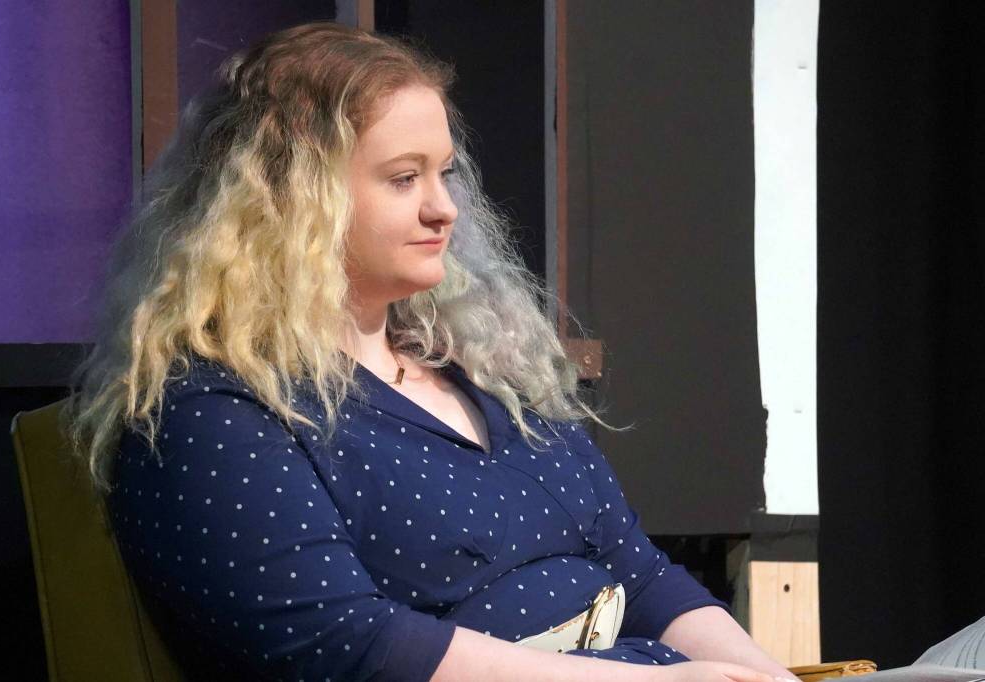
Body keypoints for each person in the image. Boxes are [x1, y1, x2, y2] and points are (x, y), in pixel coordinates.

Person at [67, 21, 799, 682]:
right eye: (403, 177)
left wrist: (766, 680)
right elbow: (349, 645)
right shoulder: (217, 414)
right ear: (290, 200)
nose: (444, 206)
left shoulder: (480, 372)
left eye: (444, 172)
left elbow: (638, 575)